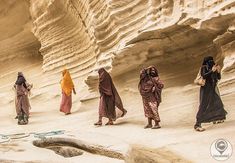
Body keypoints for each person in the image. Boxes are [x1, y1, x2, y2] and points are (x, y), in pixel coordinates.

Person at [194, 56, 227, 132]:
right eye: (210, 60)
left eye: (212, 60)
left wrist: (218, 71)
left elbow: (218, 78)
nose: (212, 61)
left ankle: (216, 119)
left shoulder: (213, 67)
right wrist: (212, 71)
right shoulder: (204, 67)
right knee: (204, 105)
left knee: (217, 103)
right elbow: (204, 76)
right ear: (206, 61)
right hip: (205, 90)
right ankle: (197, 124)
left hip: (213, 89)